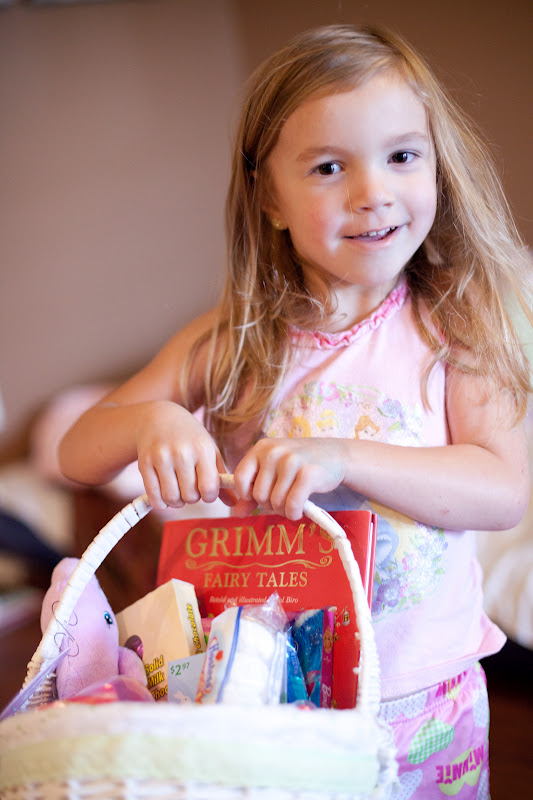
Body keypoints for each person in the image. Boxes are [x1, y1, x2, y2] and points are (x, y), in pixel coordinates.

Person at [59, 25, 531, 797]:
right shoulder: (231, 338)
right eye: (328, 167)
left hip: (424, 698)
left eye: (401, 156)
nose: (372, 190)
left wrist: (341, 458)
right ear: (270, 198)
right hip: (274, 694)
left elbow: (501, 489)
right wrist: (151, 422)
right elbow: (76, 452)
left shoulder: (457, 320)